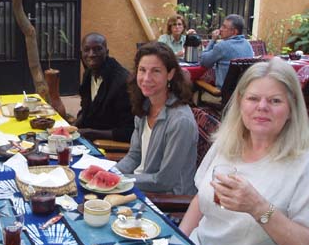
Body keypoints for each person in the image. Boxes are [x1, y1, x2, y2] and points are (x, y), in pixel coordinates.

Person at [179, 58, 309, 245]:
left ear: (291, 109)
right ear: (240, 103)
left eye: (275, 101)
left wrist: (259, 208)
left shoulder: (303, 164)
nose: (262, 107)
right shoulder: (226, 144)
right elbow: (201, 199)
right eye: (253, 98)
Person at [114, 42, 198, 195]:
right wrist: (112, 173)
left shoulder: (180, 122)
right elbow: (134, 156)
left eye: (156, 71)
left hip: (168, 201)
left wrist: (119, 180)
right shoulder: (145, 106)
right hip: (139, 185)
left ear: (170, 74)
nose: (146, 78)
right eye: (142, 70)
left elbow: (164, 181)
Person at [74, 32, 134, 142]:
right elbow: (87, 110)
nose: (92, 54)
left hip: (109, 144)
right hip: (88, 137)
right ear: (81, 53)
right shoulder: (88, 74)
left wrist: (92, 133)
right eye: (87, 50)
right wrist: (72, 127)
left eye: (98, 49)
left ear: (107, 52)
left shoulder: (121, 82)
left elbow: (129, 131)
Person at [200, 14, 254, 88]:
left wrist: (213, 40)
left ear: (234, 32)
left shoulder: (222, 46)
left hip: (225, 91)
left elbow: (204, 62)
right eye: (222, 26)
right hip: (243, 90)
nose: (220, 29)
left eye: (224, 27)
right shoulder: (248, 44)